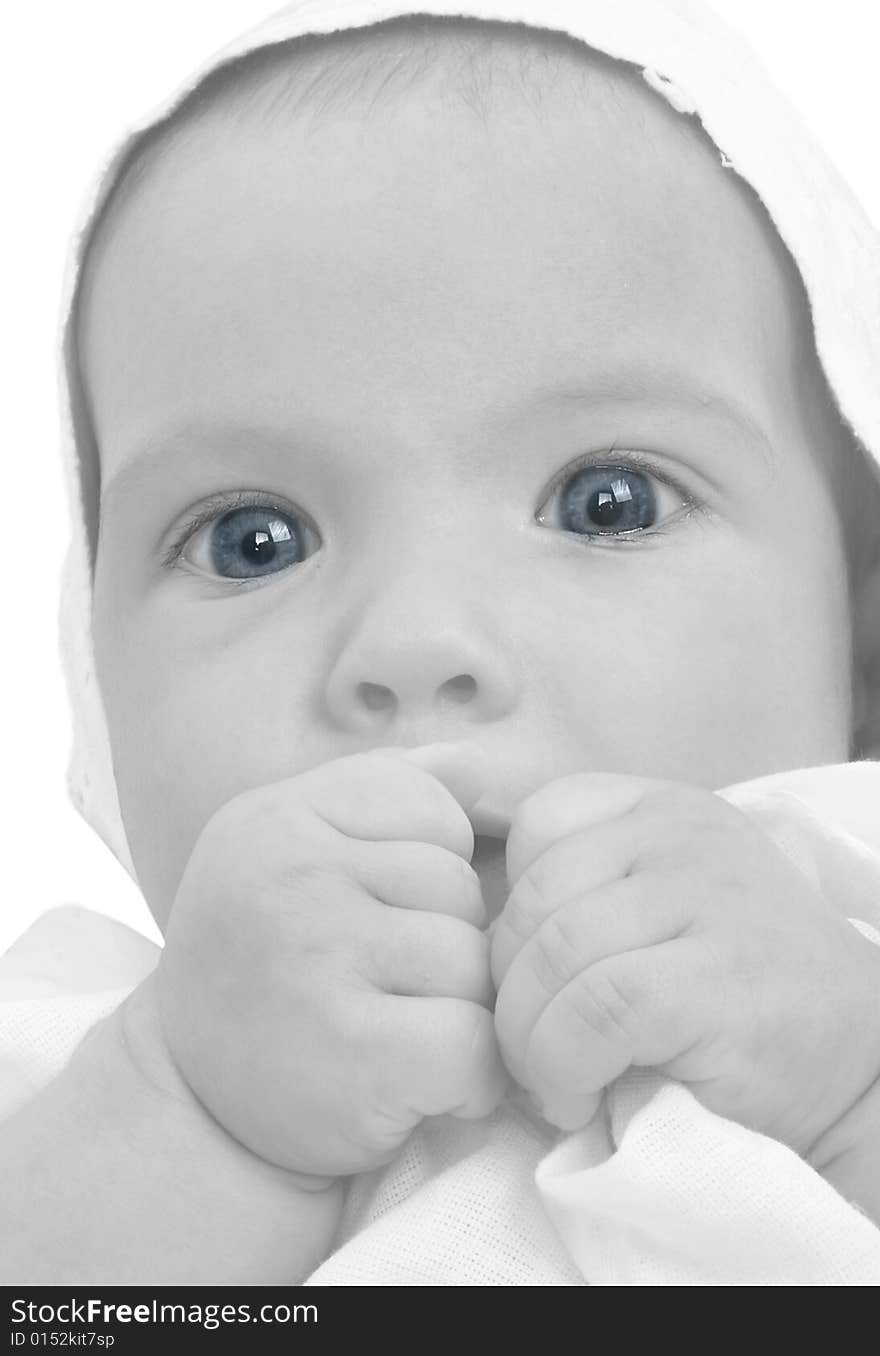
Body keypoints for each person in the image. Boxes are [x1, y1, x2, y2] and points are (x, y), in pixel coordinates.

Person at [4, 0, 880, 1284]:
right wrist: (191, 1116)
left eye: (607, 504)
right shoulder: (75, 1089)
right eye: (254, 539)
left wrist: (849, 1097)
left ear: (860, 645)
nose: (414, 644)